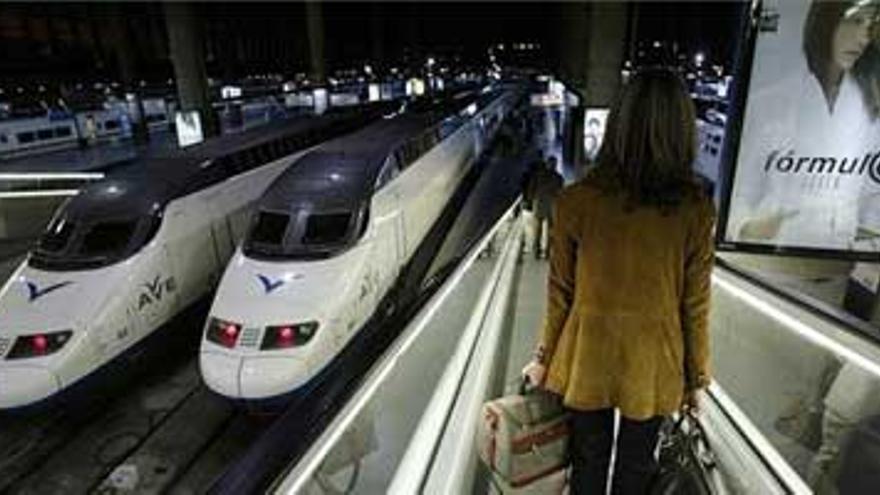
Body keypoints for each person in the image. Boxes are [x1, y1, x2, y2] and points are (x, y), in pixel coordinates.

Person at [522, 68, 716, 495]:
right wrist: (695, 377)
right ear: (683, 130)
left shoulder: (576, 201)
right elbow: (695, 304)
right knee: (636, 467)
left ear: (618, 125)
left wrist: (543, 357)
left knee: (587, 462)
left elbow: (560, 294)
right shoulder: (695, 210)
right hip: (653, 360)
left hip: (587, 354)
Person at [728, 0, 880, 250]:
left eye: (869, 25)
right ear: (826, 23)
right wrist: (748, 227)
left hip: (836, 270)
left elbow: (873, 197)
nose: (863, 38)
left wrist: (866, 246)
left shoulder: (871, 110)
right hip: (766, 264)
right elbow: (741, 192)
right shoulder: (769, 103)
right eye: (854, 21)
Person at [525, 155, 564, 259]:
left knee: (538, 230)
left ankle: (537, 252)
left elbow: (531, 189)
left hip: (540, 204)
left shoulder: (538, 175)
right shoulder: (558, 177)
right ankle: (547, 252)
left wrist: (529, 201)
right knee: (550, 230)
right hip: (551, 205)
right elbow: (561, 193)